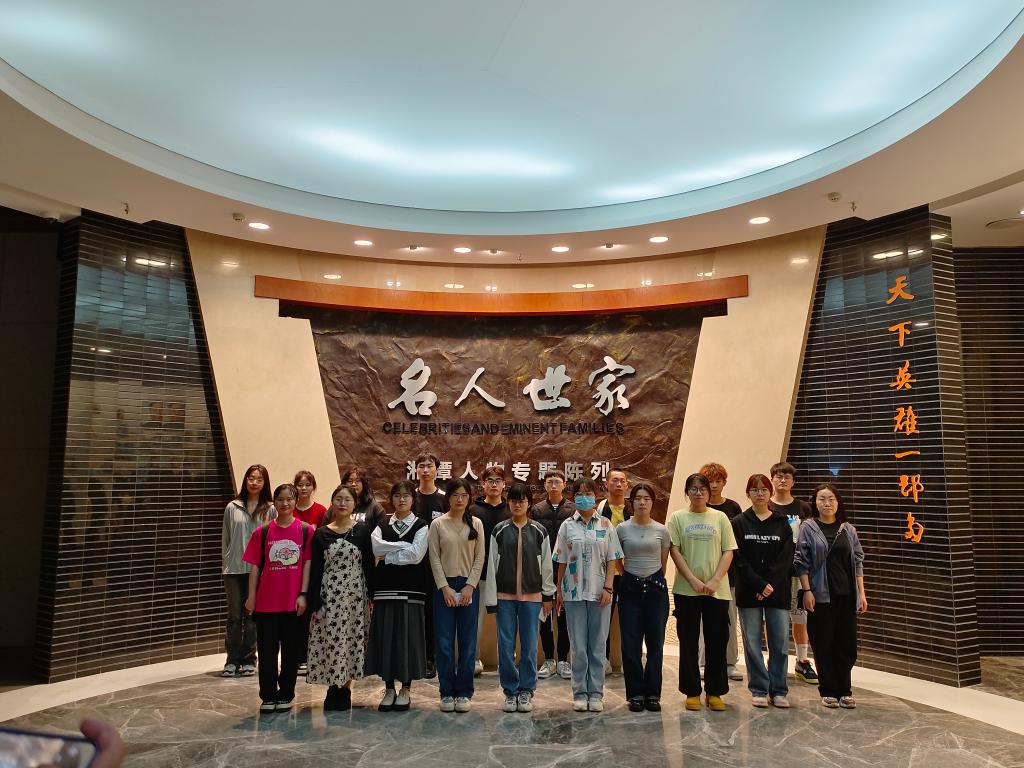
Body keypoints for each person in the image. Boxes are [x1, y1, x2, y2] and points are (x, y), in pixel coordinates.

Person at [795, 483, 868, 709]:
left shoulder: (848, 529)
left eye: (831, 499)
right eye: (822, 499)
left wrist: (862, 593)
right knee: (823, 643)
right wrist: (807, 590)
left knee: (847, 645)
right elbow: (801, 561)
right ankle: (828, 690)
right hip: (820, 595)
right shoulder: (808, 527)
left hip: (846, 595)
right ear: (815, 503)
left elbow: (858, 561)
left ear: (838, 503)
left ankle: (845, 690)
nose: (827, 503)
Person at [668, 473, 736, 712]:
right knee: (688, 641)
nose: (698, 493)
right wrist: (693, 580)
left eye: (702, 489)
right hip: (687, 590)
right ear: (687, 492)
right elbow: (674, 550)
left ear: (709, 492)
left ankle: (715, 692)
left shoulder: (720, 517)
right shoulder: (677, 517)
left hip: (717, 590)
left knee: (717, 640)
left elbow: (728, 550)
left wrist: (715, 579)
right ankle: (692, 691)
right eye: (693, 489)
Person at [484, 482, 555, 713]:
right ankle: (510, 691)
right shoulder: (499, 530)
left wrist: (547, 595)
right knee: (505, 647)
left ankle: (526, 690)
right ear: (508, 503)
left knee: (530, 647)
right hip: (504, 597)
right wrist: (491, 599)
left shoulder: (540, 531)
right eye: (513, 500)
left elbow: (546, 566)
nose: (517, 504)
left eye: (522, 500)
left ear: (529, 503)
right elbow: (491, 565)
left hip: (532, 598)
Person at [554, 478, 623, 713]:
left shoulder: (606, 524)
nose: (584, 497)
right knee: (578, 647)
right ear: (573, 498)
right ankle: (580, 693)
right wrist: (559, 591)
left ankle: (596, 693)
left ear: (596, 496)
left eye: (589, 493)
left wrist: (609, 588)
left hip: (600, 593)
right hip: (573, 594)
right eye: (580, 493)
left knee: (597, 646)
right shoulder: (567, 526)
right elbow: (561, 561)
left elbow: (612, 558)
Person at [243, 483, 312, 713]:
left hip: (293, 603)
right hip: (266, 604)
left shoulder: (306, 531)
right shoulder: (262, 532)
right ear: (275, 502)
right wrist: (251, 596)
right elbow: (254, 567)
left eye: (289, 499)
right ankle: (268, 695)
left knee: (291, 653)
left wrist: (303, 594)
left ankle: (286, 694)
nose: (285, 503)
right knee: (267, 653)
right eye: (280, 499)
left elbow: (308, 564)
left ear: (295, 502)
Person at [307, 484, 374, 711]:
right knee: (331, 641)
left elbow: (368, 566)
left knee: (351, 641)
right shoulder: (321, 533)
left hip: (355, 597)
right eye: (338, 499)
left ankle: (345, 688)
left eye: (347, 499)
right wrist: (314, 600)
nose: (342, 503)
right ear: (332, 502)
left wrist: (372, 595)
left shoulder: (362, 531)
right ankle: (332, 687)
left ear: (355, 504)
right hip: (329, 596)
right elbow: (316, 569)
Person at [731, 474, 794, 709]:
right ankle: (759, 688)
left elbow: (786, 558)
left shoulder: (782, 523)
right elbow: (738, 558)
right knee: (752, 643)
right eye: (755, 490)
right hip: (749, 592)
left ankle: (779, 690)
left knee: (779, 643)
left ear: (770, 493)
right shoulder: (739, 522)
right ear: (748, 494)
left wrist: (768, 585)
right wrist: (759, 585)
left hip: (777, 592)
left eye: (764, 489)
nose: (760, 494)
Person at [365, 480, 429, 712]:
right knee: (387, 639)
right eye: (397, 495)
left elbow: (416, 555)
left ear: (413, 499)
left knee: (407, 640)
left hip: (412, 591)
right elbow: (376, 548)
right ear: (391, 499)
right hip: (384, 591)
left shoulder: (421, 525)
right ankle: (389, 688)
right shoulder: (382, 523)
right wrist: (403, 545)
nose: (402, 499)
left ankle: (406, 689)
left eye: (406, 495)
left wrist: (389, 556)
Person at [428, 477, 485, 713]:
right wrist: (444, 587)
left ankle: (463, 692)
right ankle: (446, 692)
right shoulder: (438, 524)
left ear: (469, 498)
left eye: (464, 495)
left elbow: (480, 557)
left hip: (469, 586)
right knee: (444, 642)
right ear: (448, 498)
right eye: (455, 495)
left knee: (468, 641)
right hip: (445, 587)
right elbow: (434, 557)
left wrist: (471, 585)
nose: (459, 499)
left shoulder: (477, 524)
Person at [615, 482, 671, 712]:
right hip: (629, 588)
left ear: (652, 503)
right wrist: (628, 575)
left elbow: (664, 562)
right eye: (637, 498)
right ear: (631, 502)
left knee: (656, 643)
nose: (642, 502)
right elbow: (616, 559)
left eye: (646, 498)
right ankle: (636, 693)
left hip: (656, 589)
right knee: (630, 644)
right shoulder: (621, 529)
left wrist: (651, 577)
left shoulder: (662, 530)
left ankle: (653, 694)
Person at [221, 463, 274, 678]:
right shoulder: (232, 507)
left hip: (258, 570)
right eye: (251, 478)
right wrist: (226, 562)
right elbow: (226, 538)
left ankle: (250, 659)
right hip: (233, 569)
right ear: (245, 480)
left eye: (259, 479)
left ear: (265, 483)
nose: (254, 482)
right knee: (234, 616)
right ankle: (232, 660)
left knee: (252, 616)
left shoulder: (270, 509)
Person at [769, 461, 817, 684]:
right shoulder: (766, 505)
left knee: (800, 617)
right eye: (778, 476)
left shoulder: (803, 508)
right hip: (773, 572)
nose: (782, 480)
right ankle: (773, 660)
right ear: (772, 479)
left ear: (793, 481)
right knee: (772, 618)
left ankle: (802, 661)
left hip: (798, 571)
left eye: (787, 477)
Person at [699, 462, 744, 682]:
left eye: (719, 481)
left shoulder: (733, 508)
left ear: (725, 482)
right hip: (702, 575)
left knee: (729, 619)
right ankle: (702, 662)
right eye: (710, 481)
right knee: (702, 622)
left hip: (729, 575)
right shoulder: (698, 507)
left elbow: (737, 545)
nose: (714, 485)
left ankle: (730, 662)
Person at [531, 469, 574, 680]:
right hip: (543, 570)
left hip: (568, 570)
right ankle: (549, 659)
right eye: (550, 482)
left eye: (557, 481)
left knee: (565, 615)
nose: (554, 485)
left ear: (564, 484)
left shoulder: (573, 509)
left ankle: (563, 659)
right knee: (545, 615)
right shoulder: (537, 509)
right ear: (545, 485)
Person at [469, 465, 510, 676]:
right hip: (480, 575)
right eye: (490, 481)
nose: (494, 485)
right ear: (483, 484)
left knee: (507, 621)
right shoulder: (472, 511)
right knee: (475, 619)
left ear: (504, 485)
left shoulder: (511, 510)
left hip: (506, 576)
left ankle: (506, 659)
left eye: (498, 481)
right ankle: (474, 659)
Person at [413, 454, 444, 678]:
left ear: (436, 470)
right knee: (413, 612)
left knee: (433, 613)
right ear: (416, 470)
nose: (425, 470)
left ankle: (431, 658)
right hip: (411, 566)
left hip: (436, 566)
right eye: (421, 466)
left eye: (429, 466)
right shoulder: (409, 497)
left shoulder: (443, 499)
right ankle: (412, 657)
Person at [293, 469, 327, 676]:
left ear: (313, 487)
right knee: (293, 615)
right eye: (300, 484)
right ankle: (295, 657)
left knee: (309, 613)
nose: (304, 488)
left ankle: (309, 657)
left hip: (313, 568)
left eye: (307, 484)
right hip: (291, 570)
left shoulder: (321, 511)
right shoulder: (289, 510)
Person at [598, 468, 631, 671]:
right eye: (614, 480)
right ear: (606, 483)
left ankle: (631, 660)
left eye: (622, 481)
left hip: (630, 573)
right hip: (606, 574)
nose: (618, 484)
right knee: (604, 620)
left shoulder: (633, 508)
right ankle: (603, 660)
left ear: (627, 485)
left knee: (631, 618)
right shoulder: (600, 508)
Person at [345, 466, 386, 531]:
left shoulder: (375, 508)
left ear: (364, 484)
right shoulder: (337, 507)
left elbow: (383, 532)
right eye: (350, 481)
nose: (353, 484)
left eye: (357, 481)